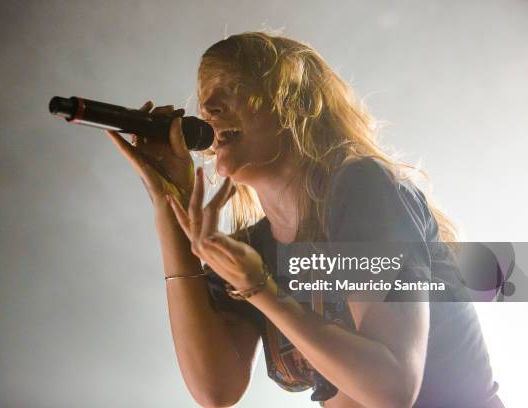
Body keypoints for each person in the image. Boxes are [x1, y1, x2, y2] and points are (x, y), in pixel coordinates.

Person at [107, 32, 503, 407]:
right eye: (205, 96)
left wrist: (261, 288)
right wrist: (169, 206)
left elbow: (391, 389)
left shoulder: (362, 186)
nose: (207, 107)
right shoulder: (252, 249)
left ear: (294, 103)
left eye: (231, 87)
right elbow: (216, 388)